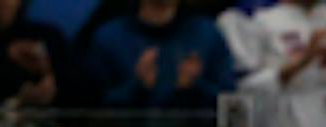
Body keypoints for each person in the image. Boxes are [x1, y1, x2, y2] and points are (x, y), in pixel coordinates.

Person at [87, 0, 237, 114]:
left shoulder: (207, 34)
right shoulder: (108, 38)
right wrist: (139, 87)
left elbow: (229, 103)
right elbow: (92, 109)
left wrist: (193, 87)